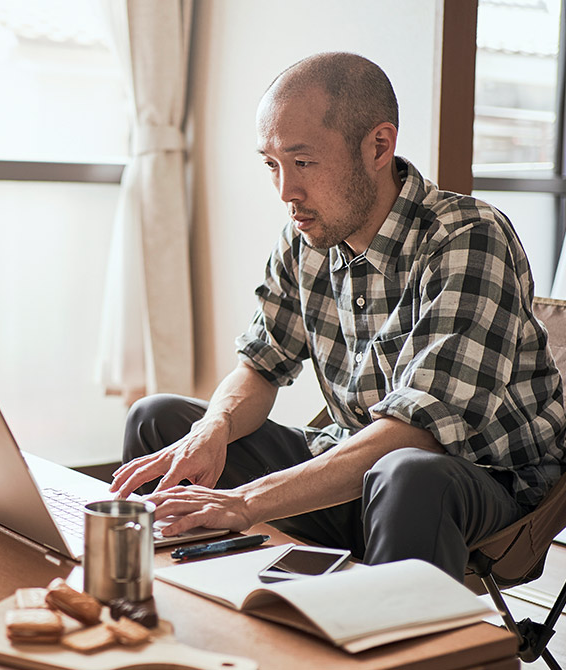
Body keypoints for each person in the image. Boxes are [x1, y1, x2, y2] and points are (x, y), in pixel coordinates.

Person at [109, 52, 566, 581]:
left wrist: (246, 502)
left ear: (379, 145)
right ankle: (172, 611)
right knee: (159, 421)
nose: (286, 192)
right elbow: (261, 364)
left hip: (480, 487)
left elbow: (415, 434)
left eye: (302, 163)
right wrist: (213, 427)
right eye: (272, 165)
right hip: (357, 470)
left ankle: (395, 650)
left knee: (408, 473)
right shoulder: (306, 238)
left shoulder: (467, 237)